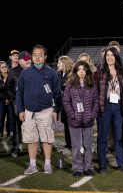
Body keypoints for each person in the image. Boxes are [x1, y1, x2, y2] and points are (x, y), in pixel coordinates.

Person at [16, 44, 61, 175]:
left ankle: (47, 164)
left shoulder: (51, 73)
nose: (37, 57)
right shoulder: (25, 73)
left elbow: (58, 93)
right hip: (29, 112)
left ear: (45, 57)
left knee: (47, 138)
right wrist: (20, 110)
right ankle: (33, 164)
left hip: (46, 111)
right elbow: (19, 93)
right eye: (34, 55)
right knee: (31, 139)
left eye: (40, 55)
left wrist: (56, 109)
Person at [94, 47, 123, 174]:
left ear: (116, 56)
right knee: (102, 137)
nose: (110, 57)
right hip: (104, 107)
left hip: (119, 106)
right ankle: (102, 165)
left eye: (112, 55)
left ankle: (121, 163)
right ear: (105, 57)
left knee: (119, 137)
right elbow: (95, 93)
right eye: (107, 55)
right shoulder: (99, 73)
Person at [63, 60, 99, 177]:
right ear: (76, 71)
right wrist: (72, 114)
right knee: (76, 146)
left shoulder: (92, 84)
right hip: (74, 120)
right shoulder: (70, 84)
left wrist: (92, 114)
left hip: (88, 120)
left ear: (87, 71)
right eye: (79, 69)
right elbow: (66, 101)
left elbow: (96, 101)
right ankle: (77, 167)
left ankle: (88, 166)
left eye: (84, 69)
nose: (81, 72)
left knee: (88, 145)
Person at [57, 56, 74, 150]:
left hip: (71, 104)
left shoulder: (71, 74)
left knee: (71, 123)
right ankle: (68, 142)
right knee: (66, 123)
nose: (57, 65)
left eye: (59, 63)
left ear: (64, 63)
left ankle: (73, 142)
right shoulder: (59, 74)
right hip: (63, 103)